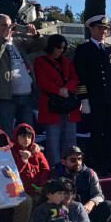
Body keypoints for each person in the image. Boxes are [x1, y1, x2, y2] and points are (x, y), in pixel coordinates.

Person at [0, 13, 44, 136]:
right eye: (4, 25)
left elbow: (40, 46)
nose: (8, 28)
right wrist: (3, 40)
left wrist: (36, 35)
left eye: (10, 25)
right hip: (5, 98)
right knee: (5, 132)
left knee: (27, 133)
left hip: (26, 95)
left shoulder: (17, 41)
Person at [73, 15, 111, 175]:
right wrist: (84, 98)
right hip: (94, 98)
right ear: (91, 29)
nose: (103, 31)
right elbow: (80, 75)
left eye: (105, 29)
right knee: (97, 132)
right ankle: (98, 164)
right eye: (100, 28)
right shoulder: (83, 49)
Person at [52, 146, 111, 222]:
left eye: (80, 159)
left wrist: (91, 203)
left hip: (86, 210)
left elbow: (99, 195)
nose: (78, 162)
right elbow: (52, 198)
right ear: (63, 161)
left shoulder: (90, 173)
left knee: (108, 206)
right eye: (73, 160)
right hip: (66, 211)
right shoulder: (57, 175)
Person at [34, 34, 81, 165]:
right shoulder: (40, 61)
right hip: (51, 105)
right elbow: (42, 81)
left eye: (63, 48)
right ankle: (55, 168)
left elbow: (75, 78)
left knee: (70, 141)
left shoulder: (67, 62)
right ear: (51, 47)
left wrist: (67, 88)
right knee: (53, 141)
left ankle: (71, 167)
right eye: (59, 47)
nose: (61, 50)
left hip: (68, 107)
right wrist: (58, 90)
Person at [9, 123, 50, 222]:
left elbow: (45, 170)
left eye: (29, 136)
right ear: (16, 137)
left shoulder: (37, 152)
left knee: (48, 199)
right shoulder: (12, 152)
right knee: (26, 203)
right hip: (16, 190)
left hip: (36, 189)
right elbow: (11, 174)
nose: (26, 139)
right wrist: (24, 160)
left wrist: (41, 186)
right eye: (22, 136)